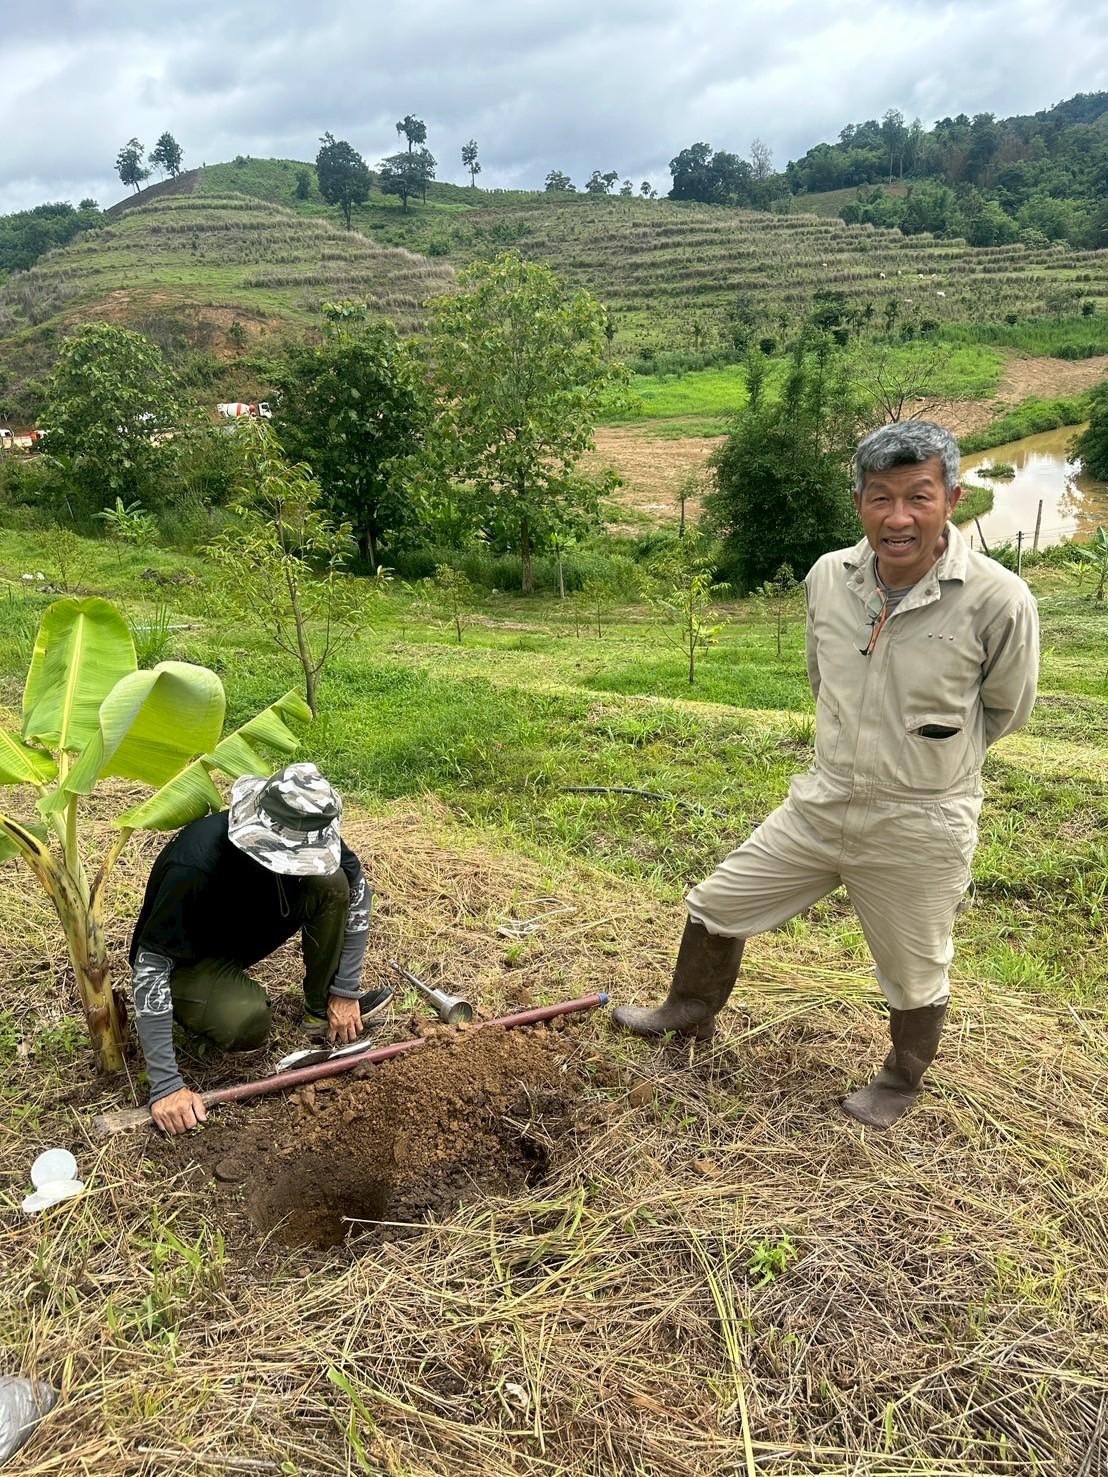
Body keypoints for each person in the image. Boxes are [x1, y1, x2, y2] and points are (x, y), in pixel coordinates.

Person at [614, 420, 1040, 1128]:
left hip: (921, 816)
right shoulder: (828, 579)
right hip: (822, 798)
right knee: (718, 902)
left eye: (918, 496)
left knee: (916, 965)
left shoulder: (997, 600)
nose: (897, 517)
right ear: (859, 502)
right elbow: (824, 682)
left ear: (953, 499)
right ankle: (688, 1010)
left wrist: (924, 760)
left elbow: (1005, 709)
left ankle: (902, 1079)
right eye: (880, 497)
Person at [130, 762, 392, 1135]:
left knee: (330, 882)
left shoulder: (310, 827)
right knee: (247, 1021)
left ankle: (321, 1012)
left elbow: (357, 892)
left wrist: (345, 991)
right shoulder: (195, 863)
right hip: (191, 961)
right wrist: (166, 1084)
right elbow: (150, 966)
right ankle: (220, 997)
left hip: (241, 932)